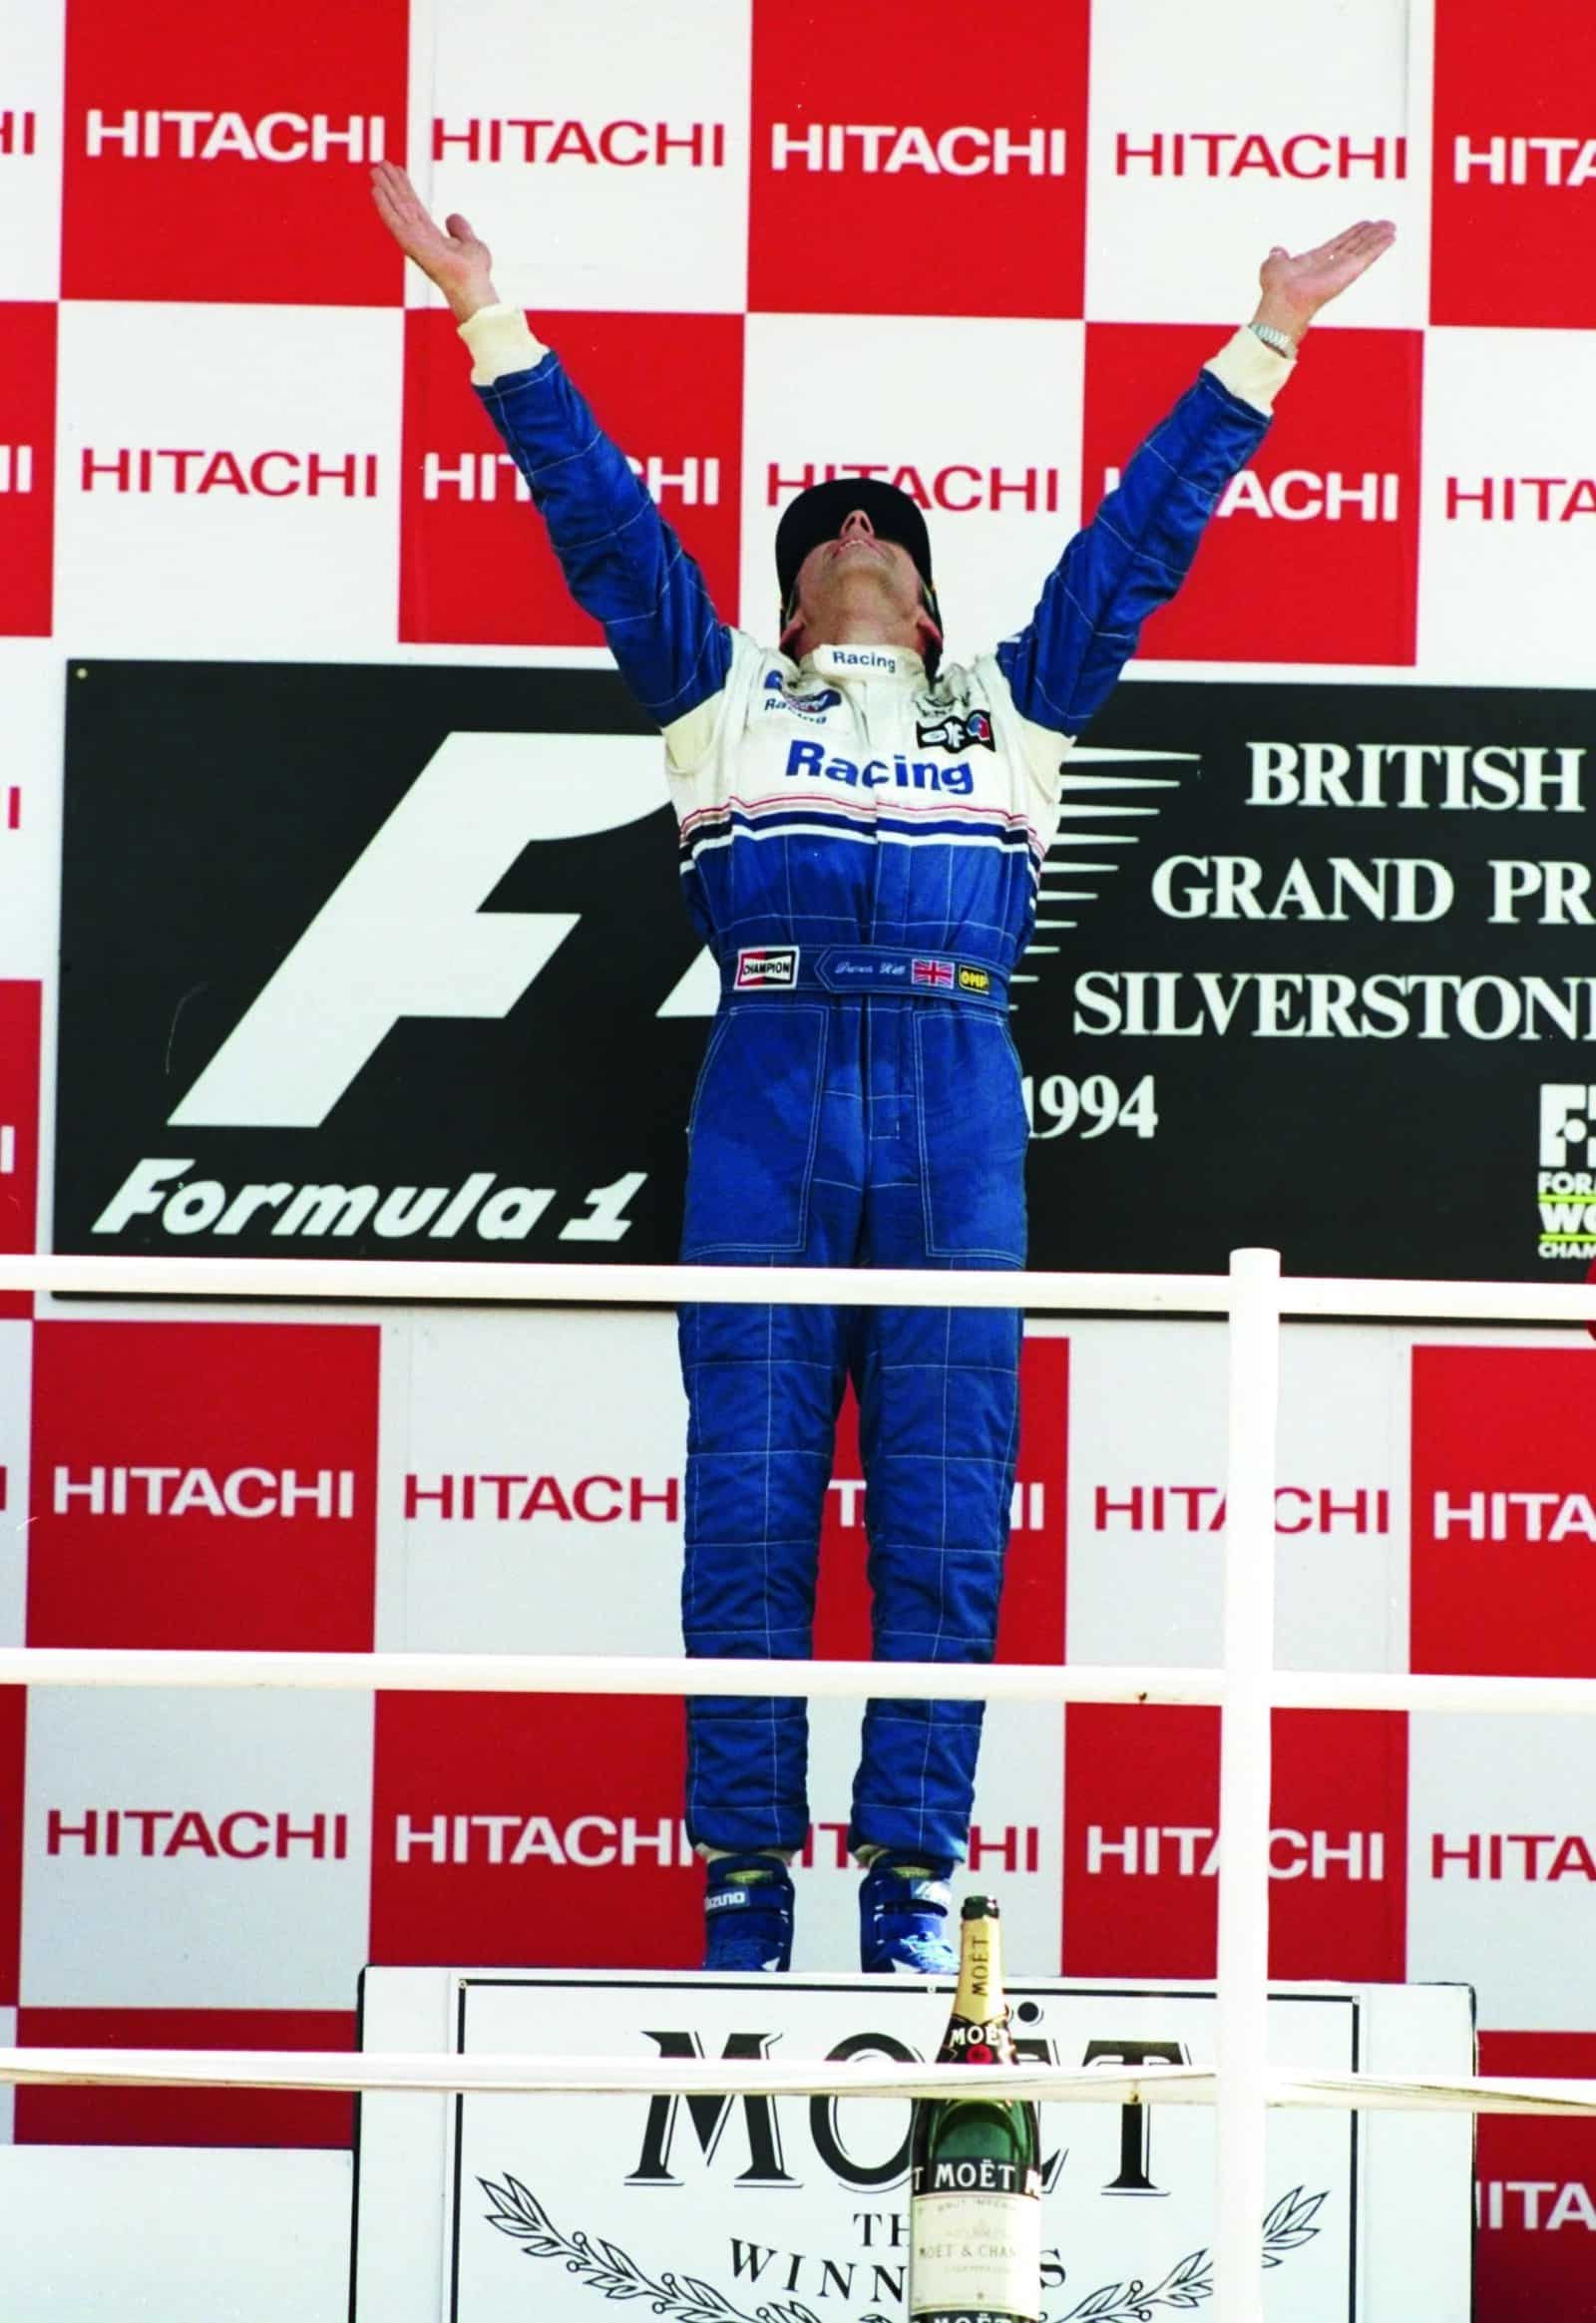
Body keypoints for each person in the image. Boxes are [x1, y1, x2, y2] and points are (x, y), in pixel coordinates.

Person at [372, 159, 1395, 1975]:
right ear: (786, 616)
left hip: (953, 1096)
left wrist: (1265, 339)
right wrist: (488, 320)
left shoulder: (1014, 705)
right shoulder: (720, 703)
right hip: (765, 1083)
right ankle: (748, 1893)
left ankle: (913, 1889)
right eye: (828, 539)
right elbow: (601, 524)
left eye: (888, 539)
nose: (859, 538)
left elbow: (1138, 542)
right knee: (748, 1502)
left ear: (927, 611)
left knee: (942, 1507)